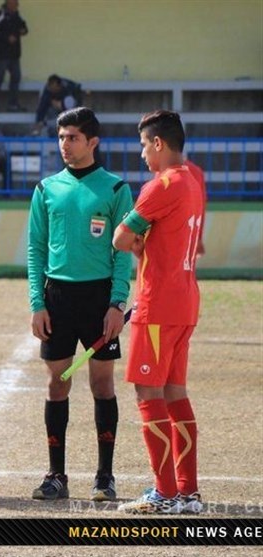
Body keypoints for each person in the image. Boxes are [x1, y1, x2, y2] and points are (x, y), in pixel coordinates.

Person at [27, 107, 133, 502]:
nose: (65, 145)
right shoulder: (46, 189)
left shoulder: (116, 189)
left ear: (93, 141)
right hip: (58, 299)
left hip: (99, 298)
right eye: (61, 137)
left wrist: (117, 303)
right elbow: (35, 249)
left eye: (73, 137)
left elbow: (123, 253)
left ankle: (104, 477)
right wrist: (38, 302)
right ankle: (56, 475)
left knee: (102, 384)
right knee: (58, 382)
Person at [114, 110, 205, 515]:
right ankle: (187, 492)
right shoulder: (193, 179)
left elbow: (120, 237)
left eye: (142, 146)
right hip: (185, 302)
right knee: (175, 393)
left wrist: (136, 240)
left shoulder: (160, 185)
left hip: (158, 304)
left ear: (158, 144)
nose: (141, 156)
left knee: (148, 393)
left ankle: (165, 494)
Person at [0, 0, 29, 112]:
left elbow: (24, 27)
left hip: (15, 53)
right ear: (8, 3)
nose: (17, 5)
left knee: (16, 77)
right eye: (14, 3)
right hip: (2, 53)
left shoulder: (17, 15)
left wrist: (23, 30)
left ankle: (13, 104)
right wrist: (7, 37)